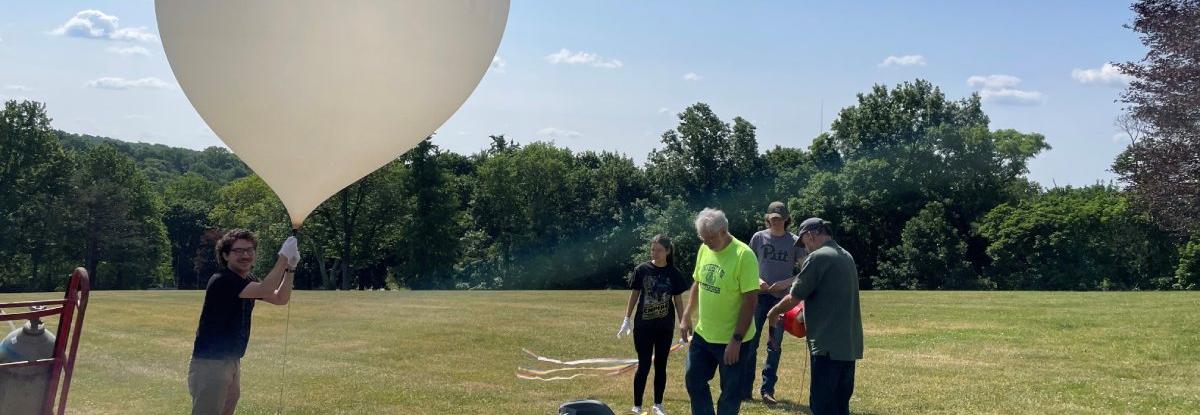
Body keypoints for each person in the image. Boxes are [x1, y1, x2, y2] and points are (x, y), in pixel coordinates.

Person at [189, 229, 299, 415]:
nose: (245, 255)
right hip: (210, 363)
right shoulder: (223, 280)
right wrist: (282, 258)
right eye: (238, 251)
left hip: (232, 360)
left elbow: (280, 298)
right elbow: (266, 289)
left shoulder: (247, 279)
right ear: (225, 255)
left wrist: (290, 268)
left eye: (250, 250)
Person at [767, 218, 863, 415]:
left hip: (826, 348)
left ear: (811, 235)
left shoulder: (818, 257)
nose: (805, 249)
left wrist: (774, 312)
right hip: (848, 347)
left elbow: (794, 297)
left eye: (804, 243)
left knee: (822, 406)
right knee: (840, 406)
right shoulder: (846, 256)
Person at [680, 208, 759, 415]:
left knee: (730, 393)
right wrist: (687, 314)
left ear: (724, 231)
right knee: (693, 379)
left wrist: (736, 340)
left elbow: (750, 301)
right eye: (702, 238)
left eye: (710, 238)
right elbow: (698, 282)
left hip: (732, 339)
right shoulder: (704, 248)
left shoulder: (744, 256)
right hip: (704, 334)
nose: (706, 242)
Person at [742, 201, 807, 404]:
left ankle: (767, 390)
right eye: (773, 218)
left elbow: (805, 271)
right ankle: (744, 390)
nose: (776, 222)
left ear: (787, 219)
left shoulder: (795, 241)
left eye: (780, 218)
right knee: (750, 343)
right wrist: (758, 280)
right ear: (767, 218)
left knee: (774, 344)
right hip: (758, 298)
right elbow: (747, 265)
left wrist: (785, 283)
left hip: (782, 302)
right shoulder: (758, 237)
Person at [617, 235, 688, 415]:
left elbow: (678, 300)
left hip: (664, 327)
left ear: (667, 251)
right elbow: (634, 295)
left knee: (661, 365)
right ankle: (637, 405)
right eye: (652, 249)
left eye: (659, 250)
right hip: (643, 327)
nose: (654, 253)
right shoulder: (642, 270)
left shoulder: (674, 273)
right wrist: (627, 318)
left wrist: (684, 323)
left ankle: (658, 404)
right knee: (644, 364)